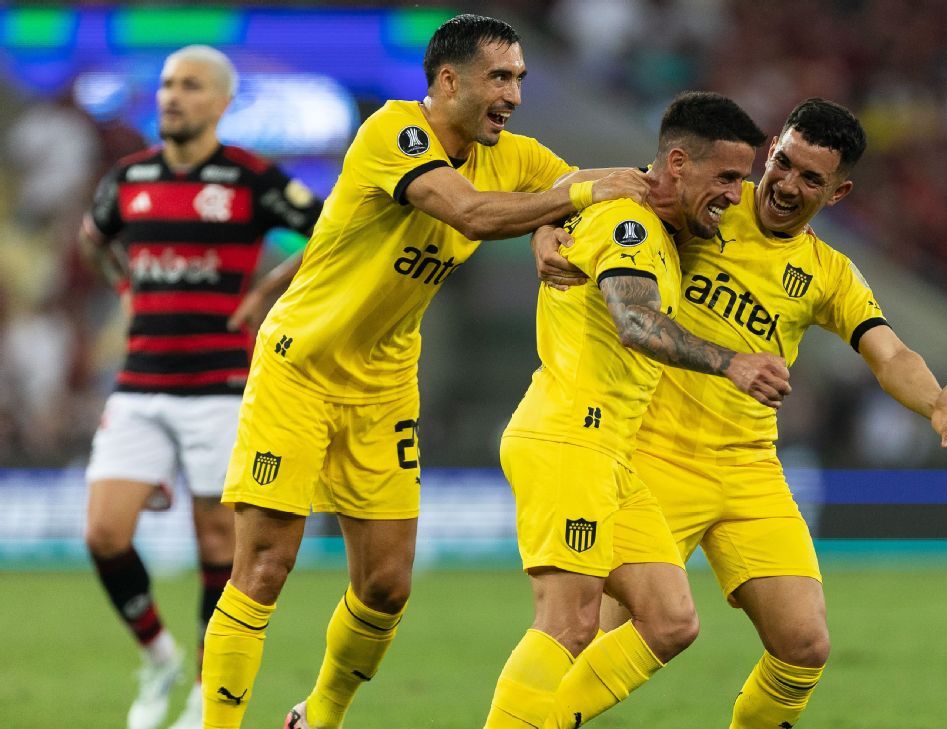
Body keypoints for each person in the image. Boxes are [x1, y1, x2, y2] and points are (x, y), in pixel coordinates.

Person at [198, 15, 648, 729]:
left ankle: (317, 716)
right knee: (263, 567)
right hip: (301, 367)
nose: (516, 94)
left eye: (521, 79)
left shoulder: (511, 156)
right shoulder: (394, 133)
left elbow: (566, 184)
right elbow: (469, 213)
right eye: (501, 77)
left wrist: (551, 225)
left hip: (383, 383)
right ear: (448, 80)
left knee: (385, 586)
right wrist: (574, 202)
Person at [534, 97, 947, 727]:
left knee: (804, 645)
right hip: (651, 452)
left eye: (811, 179)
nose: (788, 186)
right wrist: (546, 228)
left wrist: (933, 398)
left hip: (748, 468)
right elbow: (593, 188)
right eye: (784, 163)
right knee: (596, 635)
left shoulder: (829, 274)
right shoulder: (711, 200)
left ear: (839, 191)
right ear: (771, 150)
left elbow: (888, 351)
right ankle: (533, 720)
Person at [486, 91, 789, 729]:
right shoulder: (633, 225)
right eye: (728, 177)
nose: (739, 195)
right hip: (569, 437)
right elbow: (633, 320)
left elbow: (563, 185)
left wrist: (544, 225)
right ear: (677, 164)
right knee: (568, 622)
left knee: (670, 621)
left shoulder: (629, 206)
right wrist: (732, 362)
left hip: (609, 454)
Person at [79, 45, 321, 729]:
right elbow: (92, 239)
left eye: (188, 86)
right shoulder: (129, 178)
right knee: (103, 532)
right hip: (140, 383)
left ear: (220, 102)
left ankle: (205, 692)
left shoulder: (250, 178)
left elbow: (333, 233)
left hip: (220, 385)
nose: (171, 97)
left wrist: (271, 290)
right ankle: (159, 657)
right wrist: (126, 285)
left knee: (219, 543)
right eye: (165, 85)